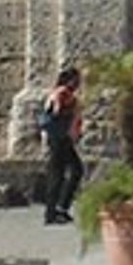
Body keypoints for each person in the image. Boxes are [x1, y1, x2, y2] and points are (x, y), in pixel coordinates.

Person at [39, 61, 85, 228]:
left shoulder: (64, 93)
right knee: (60, 173)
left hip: (61, 138)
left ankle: (58, 209)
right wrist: (73, 108)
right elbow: (57, 111)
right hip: (59, 139)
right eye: (76, 80)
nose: (78, 83)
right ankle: (54, 211)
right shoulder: (63, 93)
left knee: (68, 171)